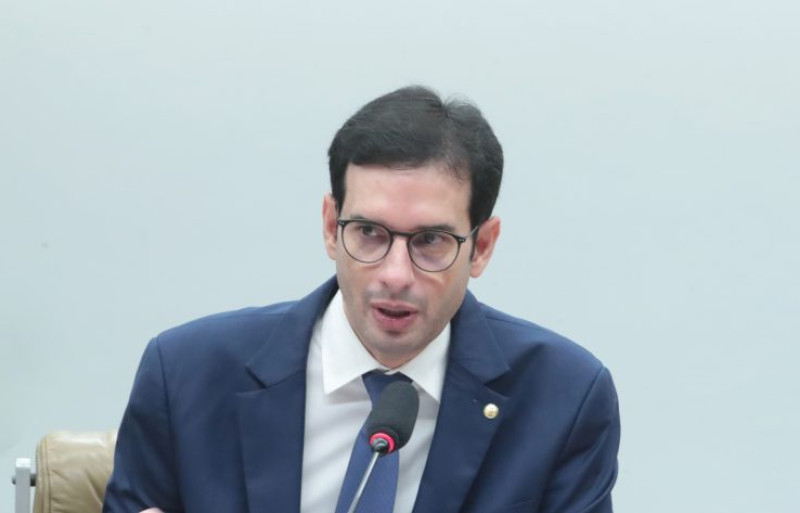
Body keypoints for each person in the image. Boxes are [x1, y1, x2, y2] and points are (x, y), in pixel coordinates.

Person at [103, 86, 620, 513]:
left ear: (481, 246)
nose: (395, 275)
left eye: (430, 241)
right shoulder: (186, 375)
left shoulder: (564, 399)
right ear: (331, 227)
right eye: (369, 233)